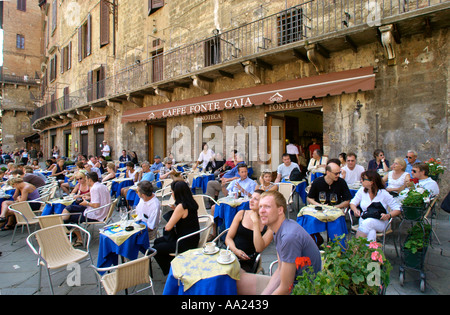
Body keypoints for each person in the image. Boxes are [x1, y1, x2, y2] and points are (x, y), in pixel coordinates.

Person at [237, 191, 321, 295]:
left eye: (267, 207)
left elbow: (286, 288)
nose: (261, 211)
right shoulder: (279, 229)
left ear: (280, 210)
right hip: (290, 284)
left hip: (301, 289)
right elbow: (280, 270)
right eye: (260, 206)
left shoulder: (288, 237)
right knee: (236, 280)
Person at [153, 180, 200, 275]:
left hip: (183, 242)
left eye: (172, 192)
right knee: (157, 241)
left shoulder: (181, 206)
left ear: (177, 193)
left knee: (155, 249)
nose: (172, 194)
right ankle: (175, 264)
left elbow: (168, 227)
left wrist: (175, 212)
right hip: (193, 238)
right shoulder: (191, 202)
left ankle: (170, 271)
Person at [225, 190, 273, 272]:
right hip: (231, 254)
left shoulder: (269, 225)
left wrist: (255, 222)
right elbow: (228, 238)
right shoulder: (241, 214)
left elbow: (259, 248)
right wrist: (236, 251)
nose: (251, 200)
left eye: (255, 199)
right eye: (251, 198)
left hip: (248, 260)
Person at [62, 172, 111, 246]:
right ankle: (69, 229)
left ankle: (79, 238)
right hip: (102, 211)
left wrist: (87, 203)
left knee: (69, 217)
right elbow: (100, 199)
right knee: (69, 209)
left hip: (96, 214)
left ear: (89, 180)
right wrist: (89, 198)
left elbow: (96, 205)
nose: (85, 181)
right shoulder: (102, 186)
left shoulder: (94, 188)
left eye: (86, 179)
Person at [350, 170, 401, 242]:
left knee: (368, 222)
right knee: (371, 232)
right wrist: (355, 210)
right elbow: (353, 203)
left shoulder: (383, 194)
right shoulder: (362, 191)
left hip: (380, 221)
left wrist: (388, 215)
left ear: (371, 182)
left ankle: (356, 248)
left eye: (363, 179)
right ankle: (371, 251)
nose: (361, 181)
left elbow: (397, 209)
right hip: (364, 219)